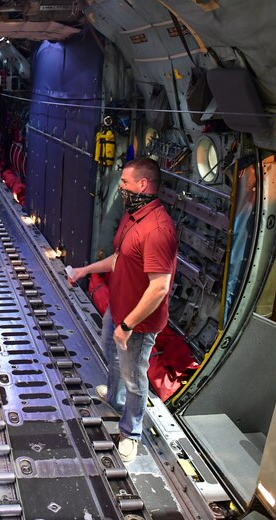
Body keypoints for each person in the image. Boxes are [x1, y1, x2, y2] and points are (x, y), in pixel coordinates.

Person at [68, 157, 177, 463]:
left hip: (138, 324)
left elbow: (159, 287)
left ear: (143, 185)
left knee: (134, 377)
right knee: (111, 356)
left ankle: (131, 431)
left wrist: (127, 325)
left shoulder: (158, 229)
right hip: (117, 308)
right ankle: (115, 400)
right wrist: (84, 270)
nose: (121, 187)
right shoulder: (134, 217)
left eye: (126, 183)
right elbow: (119, 259)